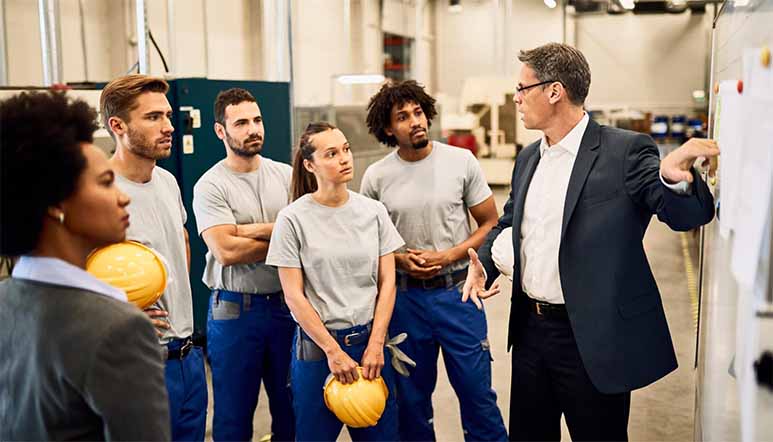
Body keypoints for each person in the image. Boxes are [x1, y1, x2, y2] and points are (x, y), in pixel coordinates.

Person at [464, 42, 719, 441]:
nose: (516, 99)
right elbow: (509, 222)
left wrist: (672, 178)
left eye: (522, 88)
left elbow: (685, 216)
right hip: (531, 332)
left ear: (554, 91)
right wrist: (484, 261)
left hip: (592, 339)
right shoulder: (529, 158)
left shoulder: (624, 151)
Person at [0, 91, 170, 441]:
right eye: (106, 183)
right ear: (55, 203)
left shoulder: (7, 300)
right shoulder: (117, 328)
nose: (122, 197)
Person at [360, 80, 508, 441]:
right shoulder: (377, 177)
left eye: (419, 112)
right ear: (388, 129)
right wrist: (398, 260)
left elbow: (490, 221)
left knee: (477, 395)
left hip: (458, 294)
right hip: (405, 301)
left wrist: (450, 254)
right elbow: (369, 244)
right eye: (403, 117)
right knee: (411, 403)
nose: (416, 121)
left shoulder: (461, 161)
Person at [265, 122, 404, 441]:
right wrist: (332, 350)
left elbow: (388, 282)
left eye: (345, 149)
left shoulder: (374, 212)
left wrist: (376, 343)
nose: (344, 158)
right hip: (317, 352)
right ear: (310, 164)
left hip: (370, 348)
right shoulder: (293, 219)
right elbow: (294, 297)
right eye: (331, 153)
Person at [101, 75, 207, 441]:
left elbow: (182, 245)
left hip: (189, 357)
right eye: (153, 118)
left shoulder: (167, 182)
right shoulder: (99, 193)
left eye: (168, 115)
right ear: (118, 126)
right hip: (139, 364)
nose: (168, 127)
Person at [192, 88, 295, 441]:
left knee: (291, 410)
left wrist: (260, 230)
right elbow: (226, 252)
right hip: (235, 312)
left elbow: (309, 238)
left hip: (287, 307)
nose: (253, 129)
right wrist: (285, 236)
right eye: (241, 123)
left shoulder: (287, 175)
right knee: (233, 419)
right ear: (221, 131)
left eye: (257, 120)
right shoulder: (211, 185)